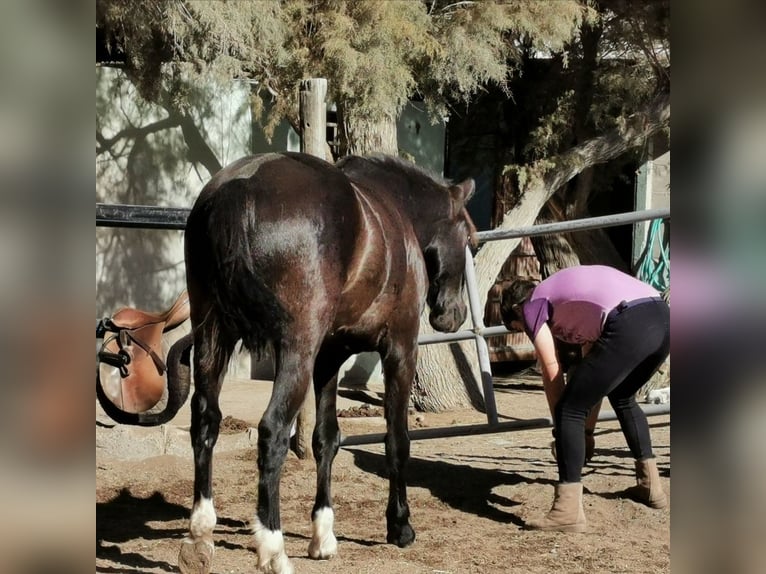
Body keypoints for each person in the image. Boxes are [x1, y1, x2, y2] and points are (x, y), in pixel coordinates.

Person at [500, 265, 670, 532]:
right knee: (623, 396)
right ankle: (651, 488)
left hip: (629, 321)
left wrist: (562, 432)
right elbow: (596, 382)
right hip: (661, 318)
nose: (527, 331)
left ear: (516, 310)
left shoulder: (532, 304)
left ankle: (567, 513)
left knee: (567, 407)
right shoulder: (572, 307)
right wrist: (586, 433)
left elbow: (551, 368)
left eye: (519, 327)